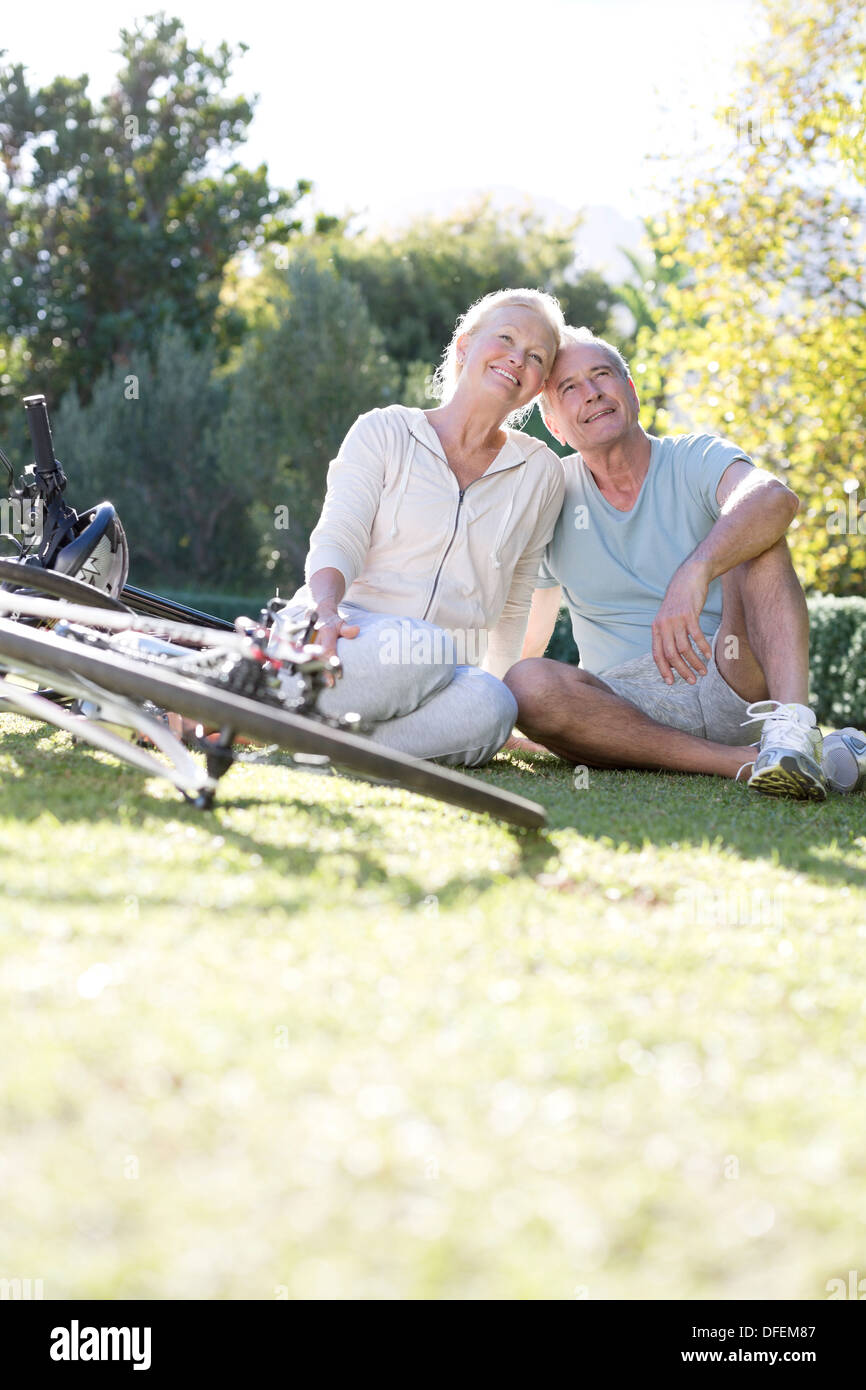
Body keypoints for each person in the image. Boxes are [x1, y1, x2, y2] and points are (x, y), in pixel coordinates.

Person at [504, 326, 857, 801]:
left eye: (603, 375)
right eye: (569, 387)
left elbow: (774, 498)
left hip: (732, 673)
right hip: (625, 707)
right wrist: (505, 708)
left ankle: (790, 730)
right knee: (526, 681)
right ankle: (749, 761)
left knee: (760, 529)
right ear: (555, 425)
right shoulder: (550, 491)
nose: (592, 393)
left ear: (630, 392)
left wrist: (694, 572)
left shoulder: (692, 456)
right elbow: (530, 631)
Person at [272, 289, 567, 768]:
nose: (517, 357)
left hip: (443, 673)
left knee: (493, 705)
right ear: (466, 347)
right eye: (506, 338)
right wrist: (324, 611)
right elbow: (338, 536)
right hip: (347, 637)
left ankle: (311, 743)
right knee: (425, 646)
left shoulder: (541, 472)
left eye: (536, 356)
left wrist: (495, 677)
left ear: (537, 386)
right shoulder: (384, 430)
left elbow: (515, 595)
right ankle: (274, 702)